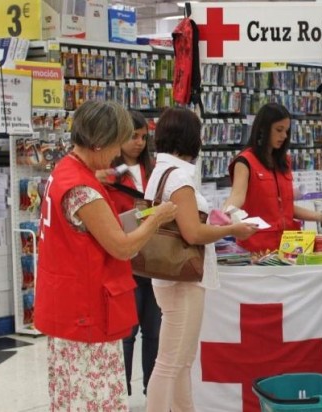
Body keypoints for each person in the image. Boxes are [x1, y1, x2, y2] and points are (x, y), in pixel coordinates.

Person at [34, 101, 178, 411]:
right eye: (116, 144)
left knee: (71, 393)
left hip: (66, 303)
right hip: (87, 310)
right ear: (99, 142)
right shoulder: (83, 190)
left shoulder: (64, 170)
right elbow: (122, 247)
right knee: (95, 398)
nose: (117, 154)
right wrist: (156, 219)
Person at [144, 108, 257, 411]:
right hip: (183, 277)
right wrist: (231, 229)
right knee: (171, 363)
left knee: (180, 362)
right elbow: (192, 233)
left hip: (168, 275)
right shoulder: (179, 177)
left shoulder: (160, 171)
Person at [223, 102, 322, 253]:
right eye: (279, 130)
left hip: (289, 248)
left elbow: (285, 208)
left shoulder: (284, 162)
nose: (284, 136)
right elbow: (237, 196)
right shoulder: (245, 162)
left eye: (286, 131)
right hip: (256, 250)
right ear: (263, 129)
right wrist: (223, 215)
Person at [103, 110, 159, 397]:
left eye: (143, 137)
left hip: (156, 260)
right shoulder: (107, 173)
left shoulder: (155, 169)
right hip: (124, 261)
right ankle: (120, 392)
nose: (139, 143)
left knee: (154, 332)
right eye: (133, 137)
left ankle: (153, 390)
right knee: (127, 333)